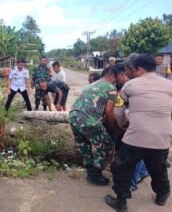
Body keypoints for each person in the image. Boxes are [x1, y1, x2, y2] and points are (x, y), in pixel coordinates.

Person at [105, 54, 172, 212]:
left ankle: (121, 202)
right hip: (161, 139)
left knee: (121, 166)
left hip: (135, 138)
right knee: (159, 168)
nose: (127, 72)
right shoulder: (169, 85)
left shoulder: (129, 86)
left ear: (139, 69)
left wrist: (122, 128)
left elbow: (118, 112)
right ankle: (162, 195)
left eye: (129, 69)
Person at [70, 67, 123, 186]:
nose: (115, 82)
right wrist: (116, 129)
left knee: (84, 145)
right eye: (116, 80)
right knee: (107, 145)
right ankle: (94, 174)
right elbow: (109, 111)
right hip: (89, 120)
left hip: (73, 116)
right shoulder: (111, 88)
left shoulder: (90, 85)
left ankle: (90, 169)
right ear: (113, 77)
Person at [114, 62, 149, 192]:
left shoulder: (127, 87)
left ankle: (132, 183)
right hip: (145, 124)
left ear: (122, 74)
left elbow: (119, 112)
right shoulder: (136, 84)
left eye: (117, 76)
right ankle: (144, 172)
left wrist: (122, 125)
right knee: (141, 152)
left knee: (133, 154)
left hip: (133, 125)